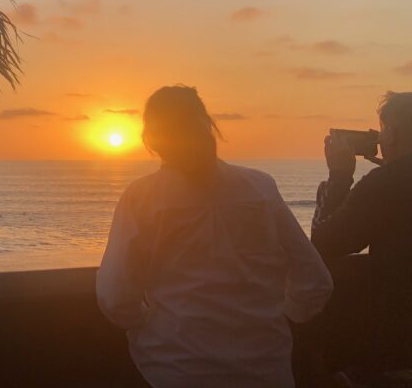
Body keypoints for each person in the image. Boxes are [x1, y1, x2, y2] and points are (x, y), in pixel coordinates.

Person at [96, 85, 333, 388]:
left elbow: (115, 298)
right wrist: (280, 319)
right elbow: (316, 282)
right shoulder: (259, 188)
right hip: (266, 370)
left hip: (176, 370)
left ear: (152, 139)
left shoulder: (142, 198)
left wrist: (147, 325)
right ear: (207, 127)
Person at [311, 91, 412, 375]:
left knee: (330, 273)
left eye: (382, 132)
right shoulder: (390, 179)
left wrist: (339, 177)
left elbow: (323, 244)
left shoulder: (386, 183)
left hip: (398, 324)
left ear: (390, 133)